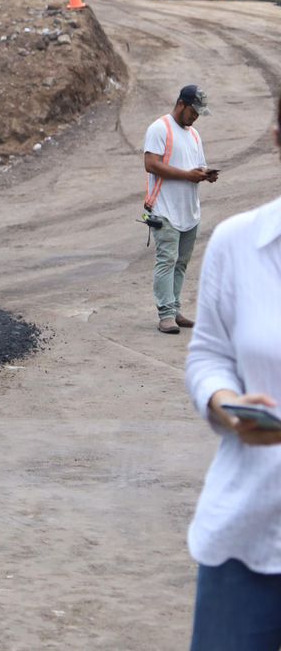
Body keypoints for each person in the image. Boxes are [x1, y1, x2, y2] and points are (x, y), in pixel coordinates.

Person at [183, 91, 281, 650]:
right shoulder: (239, 245)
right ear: (277, 139)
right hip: (247, 534)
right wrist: (224, 402)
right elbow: (209, 356)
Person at [143, 85, 219, 334]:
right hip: (165, 210)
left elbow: (196, 166)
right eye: (193, 112)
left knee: (182, 263)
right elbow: (151, 164)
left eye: (198, 113)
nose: (195, 117)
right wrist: (188, 175)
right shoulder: (160, 128)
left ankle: (174, 309)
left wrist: (205, 175)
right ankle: (165, 314)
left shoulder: (194, 135)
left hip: (189, 211)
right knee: (167, 260)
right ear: (181, 104)